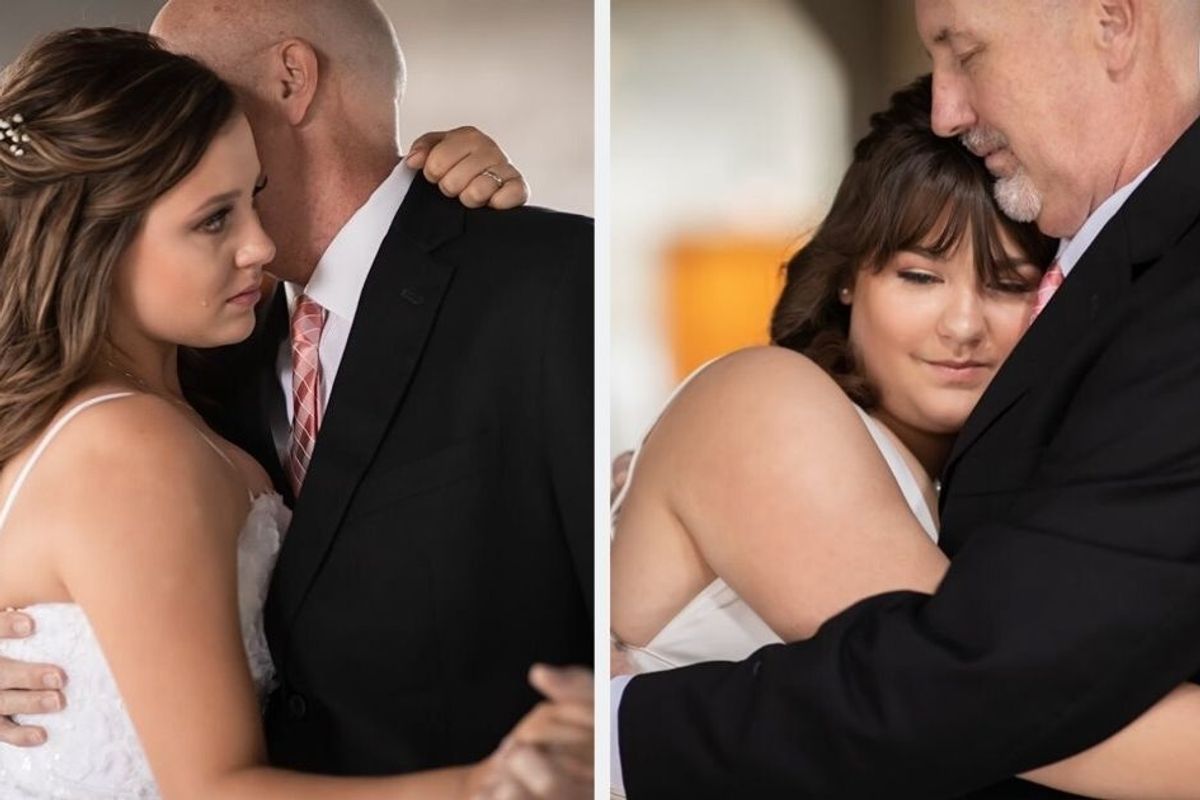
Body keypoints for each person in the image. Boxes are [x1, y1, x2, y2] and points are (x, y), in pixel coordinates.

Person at [611, 0, 1200, 797]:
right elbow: (982, 694)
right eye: (919, 276)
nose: (962, 325)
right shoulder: (768, 405)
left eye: (1007, 286)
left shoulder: (983, 485)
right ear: (851, 274)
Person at [0, 24, 586, 800]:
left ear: (291, 78)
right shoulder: (129, 435)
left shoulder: (197, 370)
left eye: (253, 200)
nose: (256, 244)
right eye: (215, 217)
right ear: (91, 238)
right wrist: (489, 786)